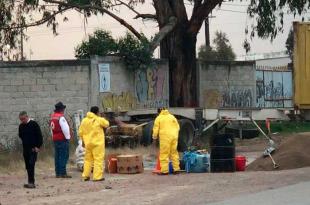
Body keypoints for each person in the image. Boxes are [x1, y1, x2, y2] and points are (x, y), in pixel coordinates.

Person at [79, 106, 109, 181]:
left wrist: (83, 141)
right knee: (98, 159)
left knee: (87, 160)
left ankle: (85, 176)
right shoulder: (99, 119)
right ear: (97, 112)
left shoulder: (84, 120)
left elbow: (80, 132)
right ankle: (97, 177)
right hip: (97, 144)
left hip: (88, 143)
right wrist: (102, 117)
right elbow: (107, 124)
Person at [18, 111, 43, 189]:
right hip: (25, 149)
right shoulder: (21, 126)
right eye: (21, 119)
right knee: (28, 166)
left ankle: (32, 182)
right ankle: (29, 181)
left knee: (31, 164)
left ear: (27, 117)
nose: (22, 121)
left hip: (33, 149)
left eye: (23, 119)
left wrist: (38, 146)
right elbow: (20, 135)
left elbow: (39, 136)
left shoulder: (34, 124)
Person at [152, 108, 180, 175]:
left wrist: (154, 137)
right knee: (174, 153)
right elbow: (178, 127)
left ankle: (165, 171)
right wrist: (174, 134)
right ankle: (176, 170)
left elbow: (155, 129)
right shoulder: (172, 116)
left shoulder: (159, 118)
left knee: (164, 154)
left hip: (165, 138)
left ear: (159, 112)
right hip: (174, 137)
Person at [50, 102, 71, 178]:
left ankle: (58, 173)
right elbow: (65, 129)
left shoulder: (53, 117)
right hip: (62, 138)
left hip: (55, 138)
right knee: (63, 155)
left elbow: (51, 129)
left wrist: (53, 137)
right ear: (61, 109)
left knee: (57, 156)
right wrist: (68, 138)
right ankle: (63, 172)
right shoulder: (61, 117)